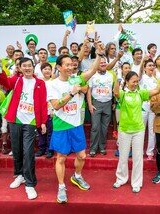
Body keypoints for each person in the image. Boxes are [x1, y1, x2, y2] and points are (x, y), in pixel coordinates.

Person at [48, 45, 102, 203]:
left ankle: (77, 176)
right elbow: (56, 105)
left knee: (82, 155)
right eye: (67, 64)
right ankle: (61, 186)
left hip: (76, 125)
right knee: (61, 158)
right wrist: (72, 92)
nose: (71, 67)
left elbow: (92, 70)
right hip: (61, 125)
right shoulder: (52, 84)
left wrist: (98, 54)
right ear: (59, 67)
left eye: (72, 64)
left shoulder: (76, 79)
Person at [0, 57, 48, 200]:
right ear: (20, 68)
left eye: (29, 65)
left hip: (30, 121)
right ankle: (19, 175)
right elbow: (3, 82)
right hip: (15, 120)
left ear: (33, 67)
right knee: (17, 150)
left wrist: (42, 122)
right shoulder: (16, 80)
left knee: (28, 151)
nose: (27, 68)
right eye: (24, 66)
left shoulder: (40, 83)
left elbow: (43, 103)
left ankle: (30, 183)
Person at [112, 71, 160, 193]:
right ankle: (121, 179)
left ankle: (136, 182)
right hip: (124, 129)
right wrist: (116, 79)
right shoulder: (122, 94)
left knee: (137, 157)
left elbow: (156, 91)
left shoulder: (140, 93)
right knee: (123, 156)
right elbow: (115, 92)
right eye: (133, 81)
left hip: (138, 130)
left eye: (137, 81)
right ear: (127, 82)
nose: (135, 84)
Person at [87, 57, 116, 157]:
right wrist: (90, 104)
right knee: (95, 127)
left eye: (104, 62)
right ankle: (93, 148)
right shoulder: (92, 75)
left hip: (108, 103)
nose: (103, 64)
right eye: (101, 62)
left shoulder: (111, 75)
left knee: (104, 128)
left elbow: (114, 89)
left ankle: (102, 147)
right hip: (96, 103)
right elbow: (89, 90)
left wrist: (114, 102)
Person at [139, 59, 158, 160]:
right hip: (143, 106)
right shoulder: (142, 78)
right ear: (145, 68)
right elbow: (139, 73)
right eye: (149, 65)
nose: (151, 67)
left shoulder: (156, 79)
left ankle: (150, 152)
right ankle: (139, 151)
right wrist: (143, 61)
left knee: (152, 130)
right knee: (141, 129)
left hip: (153, 107)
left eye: (153, 65)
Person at [35, 63, 54, 159]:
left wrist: (53, 109)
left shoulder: (54, 82)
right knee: (40, 130)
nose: (47, 70)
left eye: (49, 69)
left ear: (52, 71)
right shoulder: (38, 82)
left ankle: (49, 149)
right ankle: (41, 148)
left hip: (50, 109)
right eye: (45, 69)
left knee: (50, 131)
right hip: (39, 110)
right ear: (41, 71)